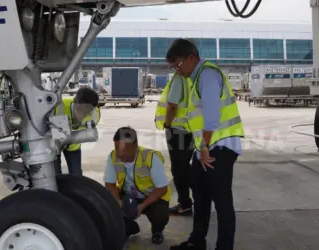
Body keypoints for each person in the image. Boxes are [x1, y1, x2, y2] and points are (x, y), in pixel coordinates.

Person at [166, 38, 244, 250]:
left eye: (178, 65)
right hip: (208, 146)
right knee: (200, 196)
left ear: (191, 58)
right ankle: (196, 241)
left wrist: (204, 147)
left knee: (222, 202)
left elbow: (212, 116)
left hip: (220, 146)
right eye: (173, 67)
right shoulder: (194, 77)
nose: (177, 70)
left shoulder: (207, 75)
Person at [103, 127, 170, 245]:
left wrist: (142, 206)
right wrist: (118, 202)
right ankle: (129, 227)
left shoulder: (150, 157)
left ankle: (157, 231)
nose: (119, 153)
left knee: (161, 215)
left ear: (135, 147)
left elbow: (162, 188)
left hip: (150, 197)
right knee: (107, 202)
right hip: (128, 195)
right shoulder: (113, 157)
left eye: (123, 150)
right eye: (117, 148)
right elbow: (109, 184)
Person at [154, 73, 194, 216]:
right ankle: (199, 195)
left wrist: (167, 124)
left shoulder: (180, 78)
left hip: (177, 130)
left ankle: (185, 204)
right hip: (193, 129)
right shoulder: (195, 77)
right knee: (185, 165)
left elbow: (172, 106)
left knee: (179, 169)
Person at [54, 86, 100, 176]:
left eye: (86, 112)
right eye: (80, 110)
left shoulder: (95, 115)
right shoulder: (59, 106)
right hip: (55, 146)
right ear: (75, 102)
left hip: (74, 146)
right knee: (55, 175)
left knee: (77, 174)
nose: (82, 115)